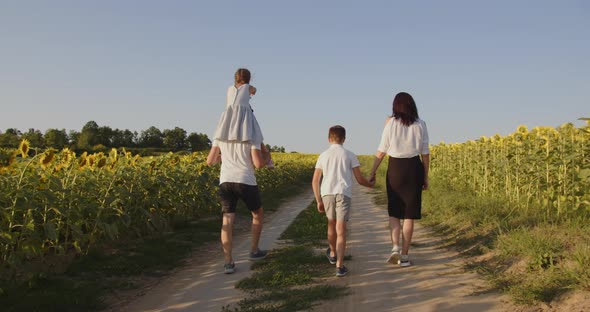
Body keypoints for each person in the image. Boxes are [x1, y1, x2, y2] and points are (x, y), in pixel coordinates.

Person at [207, 68, 270, 274]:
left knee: (227, 220)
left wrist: (223, 156)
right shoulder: (250, 132)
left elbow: (210, 161)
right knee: (257, 213)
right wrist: (265, 158)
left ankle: (228, 262)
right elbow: (258, 164)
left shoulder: (221, 132)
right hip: (245, 180)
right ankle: (253, 250)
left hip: (225, 180)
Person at [369, 92, 429, 268]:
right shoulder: (421, 124)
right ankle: (404, 255)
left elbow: (381, 150)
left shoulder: (391, 123)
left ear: (395, 106)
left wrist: (372, 171)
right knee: (409, 215)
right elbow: (425, 153)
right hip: (413, 167)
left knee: (394, 212)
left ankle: (394, 248)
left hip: (395, 167)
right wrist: (425, 176)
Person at [312, 125, 374, 277]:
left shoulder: (323, 156)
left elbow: (315, 181)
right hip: (343, 193)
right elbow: (359, 179)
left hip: (327, 193)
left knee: (331, 224)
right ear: (344, 139)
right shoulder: (350, 155)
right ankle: (339, 266)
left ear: (329, 138)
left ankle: (332, 253)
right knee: (341, 228)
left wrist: (318, 200)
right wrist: (370, 185)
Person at [222, 68, 273, 168]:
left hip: (230, 117)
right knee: (255, 135)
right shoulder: (247, 87)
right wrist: (252, 92)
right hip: (244, 116)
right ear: (248, 79)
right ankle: (266, 157)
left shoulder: (229, 89)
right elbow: (254, 90)